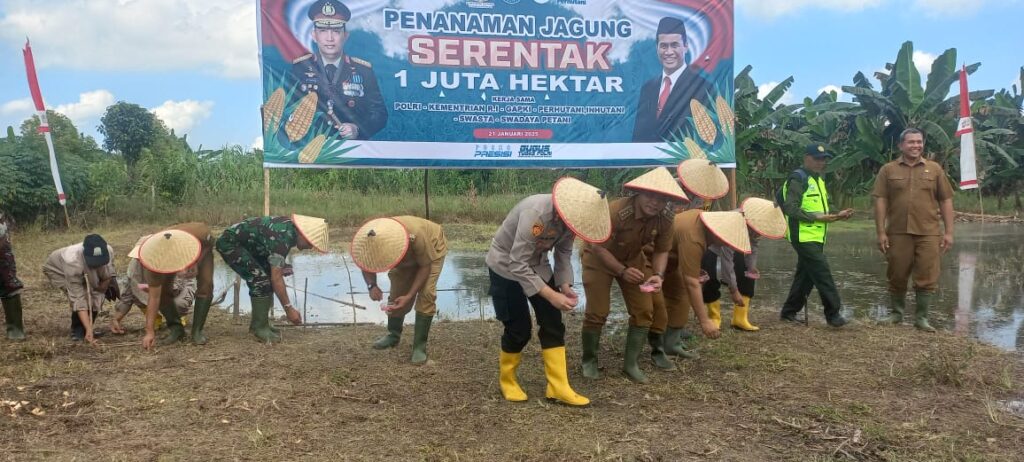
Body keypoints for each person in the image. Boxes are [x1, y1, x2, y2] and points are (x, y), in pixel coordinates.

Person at [487, 178, 611, 406]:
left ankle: (558, 387)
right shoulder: (536, 214)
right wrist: (551, 295)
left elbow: (563, 254)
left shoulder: (572, 222)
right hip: (506, 266)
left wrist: (564, 286)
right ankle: (508, 380)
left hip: (537, 265)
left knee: (553, 322)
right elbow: (517, 263)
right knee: (519, 329)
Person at [580, 167, 688, 383]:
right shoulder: (616, 212)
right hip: (599, 257)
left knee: (645, 309)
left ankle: (631, 365)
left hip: (633, 258)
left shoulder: (666, 217)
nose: (655, 203)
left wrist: (658, 274)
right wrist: (621, 271)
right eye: (650, 195)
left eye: (662, 198)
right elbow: (597, 246)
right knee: (598, 311)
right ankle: (589, 360)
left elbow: (661, 250)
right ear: (638, 193)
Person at [646, 158, 729, 366]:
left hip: (677, 246)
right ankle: (655, 343)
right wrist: (704, 321)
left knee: (681, 292)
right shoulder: (667, 190)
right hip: (653, 246)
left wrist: (691, 262)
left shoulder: (705, 198)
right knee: (656, 297)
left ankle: (672, 341)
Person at [871, 128, 955, 332]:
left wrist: (949, 232)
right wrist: (881, 232)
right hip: (898, 231)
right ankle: (896, 314)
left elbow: (945, 200)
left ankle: (921, 318)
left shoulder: (934, 169)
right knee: (897, 273)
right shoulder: (888, 170)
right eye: (911, 142)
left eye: (919, 142)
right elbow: (880, 200)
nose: (916, 145)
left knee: (927, 274)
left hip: (928, 232)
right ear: (901, 145)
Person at [216, 215, 328, 343]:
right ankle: (260, 328)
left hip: (250, 246)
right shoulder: (283, 237)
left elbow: (270, 246)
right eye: (310, 243)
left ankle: (260, 324)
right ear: (303, 234)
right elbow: (276, 278)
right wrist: (289, 309)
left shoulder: (289, 230)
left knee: (267, 277)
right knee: (260, 280)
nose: (310, 247)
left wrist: (282, 265)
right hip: (230, 244)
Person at [287, 0, 387, 142]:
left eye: (336, 31)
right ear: (314, 35)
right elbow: (289, 108)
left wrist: (358, 129)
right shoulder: (300, 68)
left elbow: (380, 114)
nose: (330, 38)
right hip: (313, 150)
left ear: (345, 36)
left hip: (354, 151)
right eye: (322, 31)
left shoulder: (363, 70)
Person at [351, 216, 447, 365]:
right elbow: (365, 262)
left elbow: (425, 266)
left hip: (432, 248)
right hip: (406, 255)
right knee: (397, 292)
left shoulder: (416, 234)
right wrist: (372, 285)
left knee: (427, 293)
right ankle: (393, 335)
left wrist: (409, 296)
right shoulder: (370, 238)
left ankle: (419, 347)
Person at [778, 144, 853, 327]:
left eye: (823, 159)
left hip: (817, 236)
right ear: (806, 158)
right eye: (817, 158)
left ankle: (789, 312)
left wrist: (837, 215)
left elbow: (820, 209)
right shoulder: (798, 178)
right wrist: (816, 217)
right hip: (802, 236)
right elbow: (790, 208)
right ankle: (833, 314)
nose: (821, 162)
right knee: (822, 272)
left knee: (806, 276)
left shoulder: (818, 180)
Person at [702, 198, 788, 333]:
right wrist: (733, 290)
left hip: (735, 246)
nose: (759, 234)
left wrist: (751, 267)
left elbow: (753, 247)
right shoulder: (734, 223)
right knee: (709, 277)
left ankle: (740, 319)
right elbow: (726, 261)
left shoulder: (759, 223)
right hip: (711, 245)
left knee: (748, 274)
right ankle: (714, 318)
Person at [632, 16, 712, 142]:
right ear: (657, 48)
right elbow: (637, 136)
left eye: (674, 45)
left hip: (685, 160)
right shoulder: (648, 88)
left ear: (685, 46)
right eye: (663, 46)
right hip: (649, 160)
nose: (669, 52)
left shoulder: (703, 87)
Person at [138, 224, 217, 350]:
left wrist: (196, 261)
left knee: (206, 285)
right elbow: (154, 298)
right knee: (163, 291)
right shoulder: (153, 264)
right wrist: (149, 332)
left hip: (201, 249)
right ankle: (176, 329)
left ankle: (197, 331)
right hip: (175, 255)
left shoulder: (198, 232)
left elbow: (210, 242)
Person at [110, 234, 197, 336]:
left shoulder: (172, 259)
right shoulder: (134, 266)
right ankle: (155, 318)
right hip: (153, 292)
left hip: (179, 290)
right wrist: (116, 319)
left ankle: (178, 317)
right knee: (137, 293)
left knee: (178, 304)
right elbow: (128, 295)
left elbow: (177, 287)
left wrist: (155, 288)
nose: (140, 259)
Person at [42, 234, 119, 344]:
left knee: (96, 294)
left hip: (83, 266)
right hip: (58, 270)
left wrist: (106, 284)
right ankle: (79, 330)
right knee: (84, 295)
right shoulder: (72, 261)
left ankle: (88, 328)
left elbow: (109, 270)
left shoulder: (108, 250)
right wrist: (88, 329)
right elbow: (78, 298)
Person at [1, 210, 26, 341]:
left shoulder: (1, 222)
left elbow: (3, 241)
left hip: (3, 260)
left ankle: (15, 333)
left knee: (10, 289)